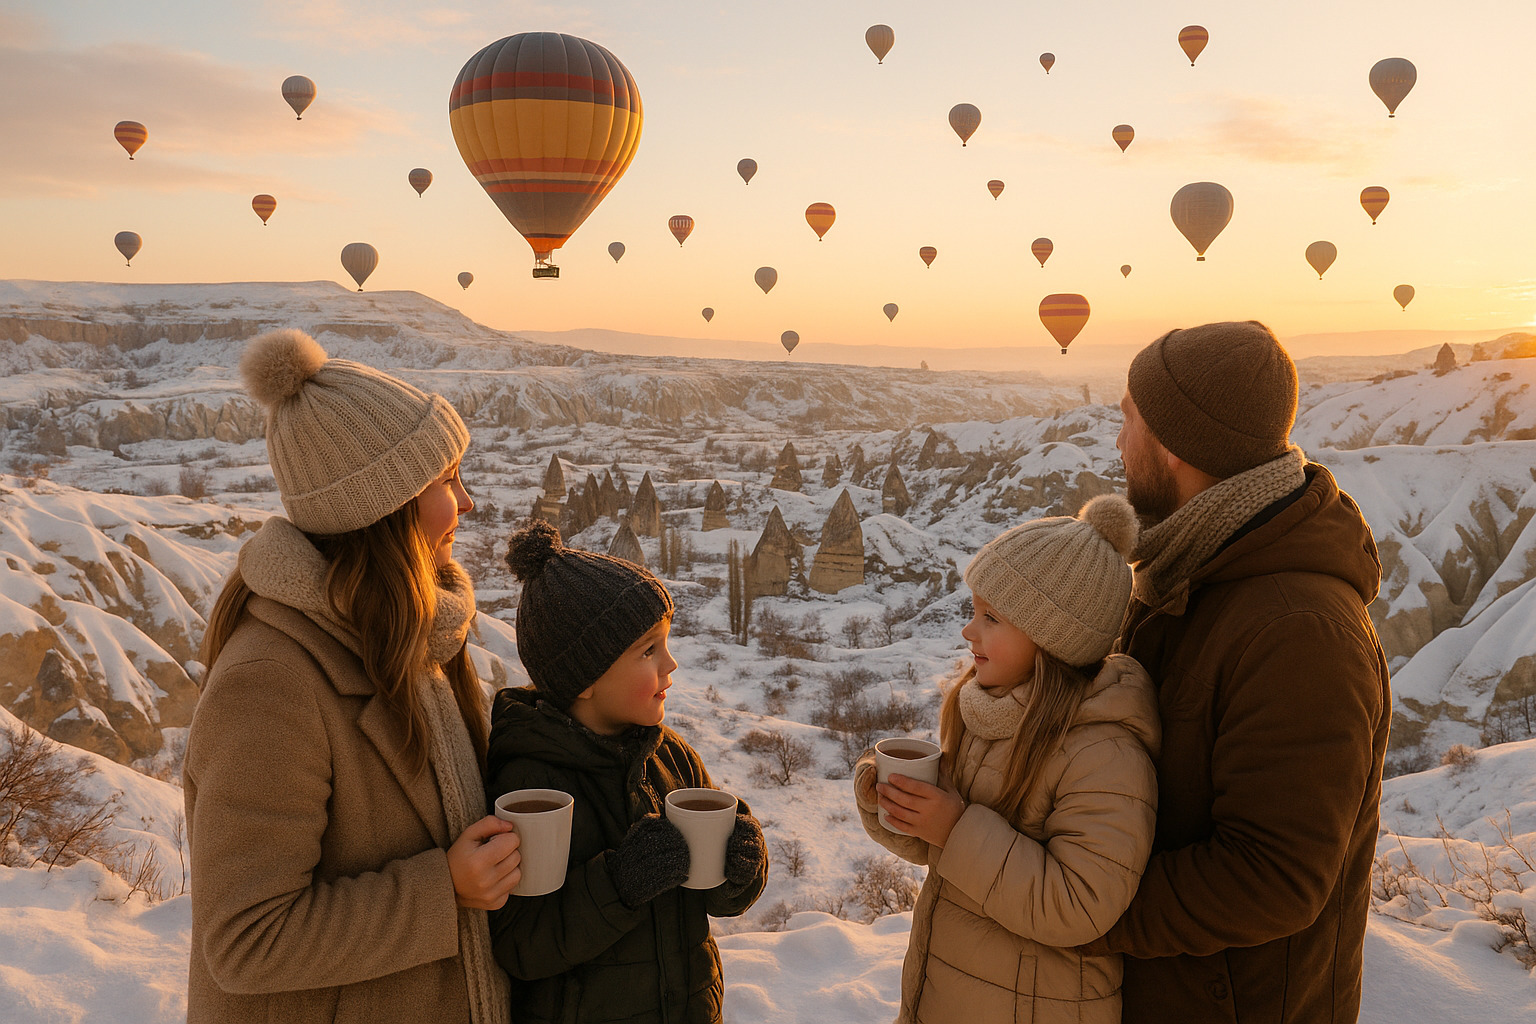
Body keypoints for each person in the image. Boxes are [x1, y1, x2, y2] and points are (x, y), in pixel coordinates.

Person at [185, 329, 521, 1024]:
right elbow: (247, 940)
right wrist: (445, 889)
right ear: (387, 508)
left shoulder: (413, 635)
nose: (468, 502)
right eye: (447, 481)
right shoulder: (271, 682)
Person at [1083, 320, 1392, 1022]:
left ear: (1173, 443)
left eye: (1126, 420)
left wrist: (1069, 905)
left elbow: (1272, 878)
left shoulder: (1297, 631)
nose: (1118, 445)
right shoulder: (1191, 574)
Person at [855, 493, 1160, 1024]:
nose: (969, 631)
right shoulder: (992, 714)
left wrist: (953, 828)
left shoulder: (1106, 753)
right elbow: (953, 851)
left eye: (990, 617)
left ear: (1051, 638)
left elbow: (1080, 903)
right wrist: (896, 805)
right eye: (974, 611)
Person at [486, 520, 769, 1024]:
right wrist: (619, 883)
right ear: (586, 679)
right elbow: (522, 945)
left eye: (666, 642)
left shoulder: (672, 758)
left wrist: (741, 866)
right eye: (648, 649)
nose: (671, 662)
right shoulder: (533, 787)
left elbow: (715, 899)